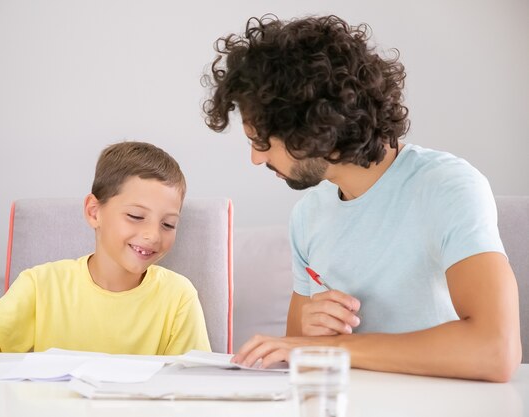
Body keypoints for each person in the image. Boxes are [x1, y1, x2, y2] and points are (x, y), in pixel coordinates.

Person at [202, 14, 521, 381]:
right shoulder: (308, 215)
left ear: (311, 127)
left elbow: (495, 349)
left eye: (261, 142)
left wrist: (333, 349)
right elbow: (297, 349)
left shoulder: (446, 187)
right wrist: (312, 330)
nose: (256, 158)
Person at [0, 141, 211, 355]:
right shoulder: (40, 285)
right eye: (136, 217)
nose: (152, 235)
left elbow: (194, 385)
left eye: (169, 224)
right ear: (93, 212)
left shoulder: (179, 297)